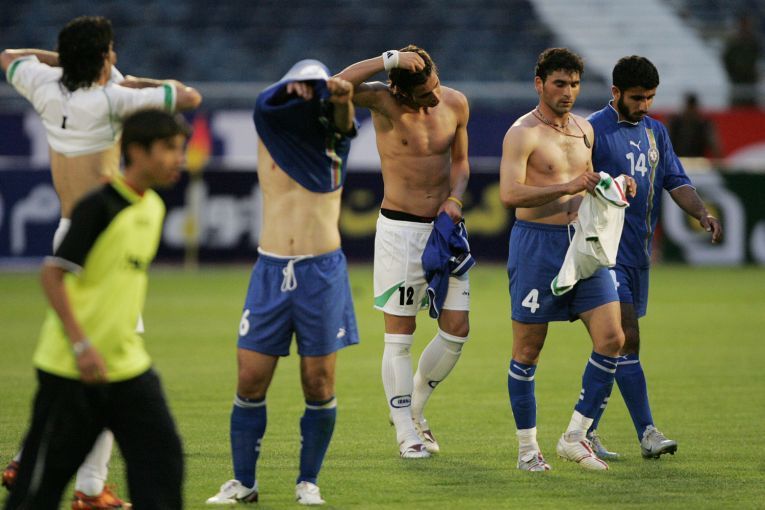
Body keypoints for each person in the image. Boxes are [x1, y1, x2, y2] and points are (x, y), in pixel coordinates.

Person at [0, 15, 200, 507]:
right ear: (103, 59)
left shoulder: (44, 86)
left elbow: (9, 57)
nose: (115, 56)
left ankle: (31, 462)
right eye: (110, 51)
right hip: (105, 235)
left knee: (83, 366)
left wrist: (65, 62)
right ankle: (90, 488)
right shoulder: (112, 98)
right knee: (109, 362)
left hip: (68, 228)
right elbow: (188, 96)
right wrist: (133, 82)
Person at [206, 60, 359, 506]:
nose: (306, 94)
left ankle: (308, 481)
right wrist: (293, 87)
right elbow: (265, 102)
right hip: (271, 269)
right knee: (250, 378)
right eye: (300, 87)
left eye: (314, 89)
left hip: (321, 272)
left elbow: (344, 118)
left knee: (319, 382)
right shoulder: (271, 131)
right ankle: (244, 483)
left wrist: (339, 95)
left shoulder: (334, 144)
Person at [499, 47, 637, 472]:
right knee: (528, 349)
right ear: (539, 84)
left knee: (613, 338)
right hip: (536, 245)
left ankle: (575, 436)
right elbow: (509, 194)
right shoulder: (522, 133)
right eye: (560, 83)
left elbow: (586, 185)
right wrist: (568, 186)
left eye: (574, 84)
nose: (568, 92)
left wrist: (615, 185)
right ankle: (527, 450)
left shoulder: (584, 130)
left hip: (581, 245)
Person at [335, 45, 472, 458]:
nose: (435, 97)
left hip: (445, 230)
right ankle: (406, 434)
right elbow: (335, 86)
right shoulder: (383, 101)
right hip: (401, 231)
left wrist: (456, 198)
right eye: (425, 94)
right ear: (401, 90)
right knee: (400, 337)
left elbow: (461, 163)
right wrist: (387, 60)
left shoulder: (455, 102)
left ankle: (414, 409)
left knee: (456, 330)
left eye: (436, 85)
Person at [585, 55, 723, 460]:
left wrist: (701, 213)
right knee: (626, 337)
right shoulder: (592, 131)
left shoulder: (656, 132)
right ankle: (647, 432)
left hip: (637, 254)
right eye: (637, 98)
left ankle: (584, 430)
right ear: (616, 92)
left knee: (612, 344)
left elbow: (676, 180)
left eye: (650, 97)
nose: (645, 105)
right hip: (604, 253)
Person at [668, 92, 722, 159]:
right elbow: (664, 143)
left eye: (692, 108)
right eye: (689, 108)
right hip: (677, 160)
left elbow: (714, 146)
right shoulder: (674, 123)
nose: (690, 112)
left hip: (696, 162)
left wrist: (718, 158)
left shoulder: (704, 125)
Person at [722, 15, 760, 107]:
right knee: (737, 105)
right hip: (737, 79)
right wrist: (732, 73)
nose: (745, 27)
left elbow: (757, 57)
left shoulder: (753, 41)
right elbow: (726, 58)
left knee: (751, 105)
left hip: (750, 79)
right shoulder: (734, 42)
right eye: (744, 24)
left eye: (747, 24)